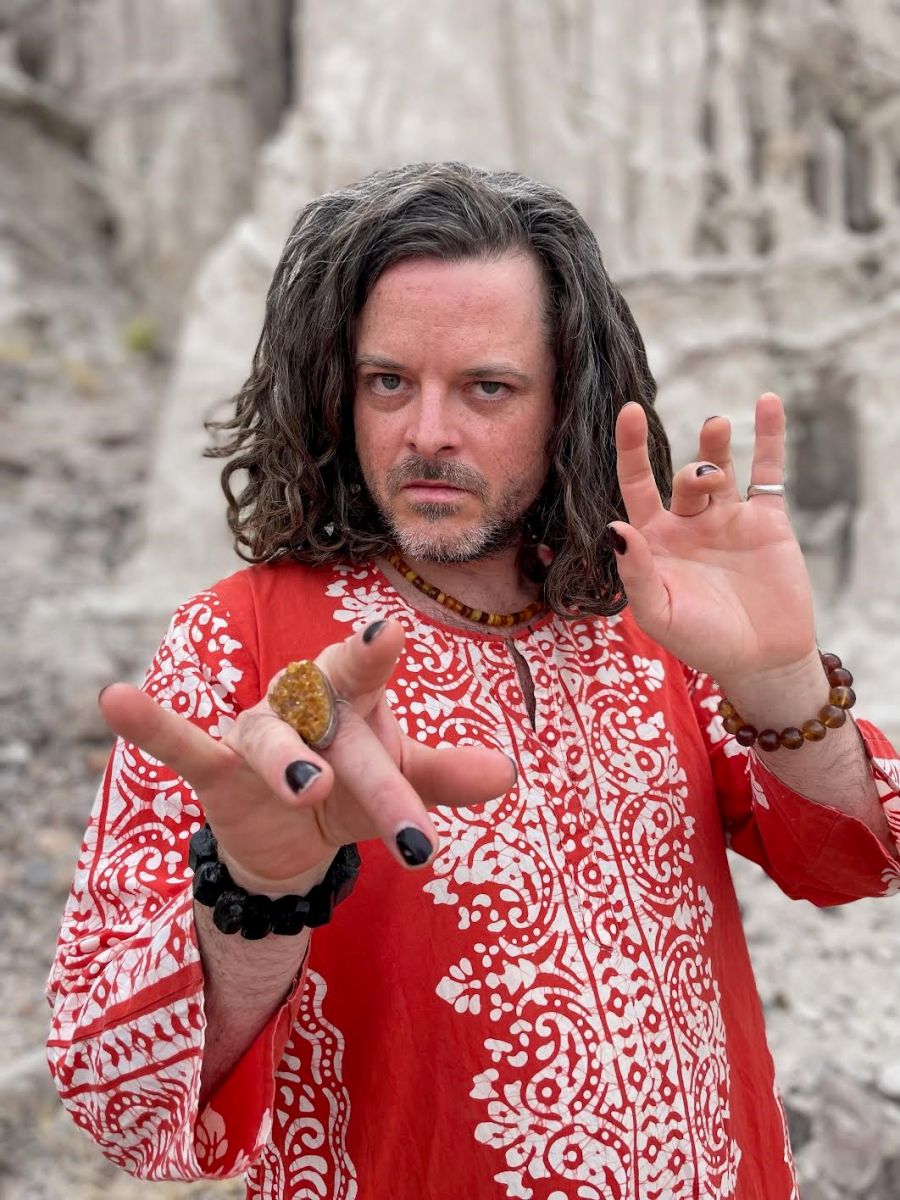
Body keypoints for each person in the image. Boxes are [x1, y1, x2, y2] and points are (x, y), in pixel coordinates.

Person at [47, 161, 900, 1200]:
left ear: (568, 401)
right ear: (335, 388)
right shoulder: (238, 641)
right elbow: (126, 1101)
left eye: (486, 388)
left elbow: (855, 860)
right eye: (388, 382)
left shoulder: (647, 609)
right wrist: (255, 896)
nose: (427, 434)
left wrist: (778, 679)